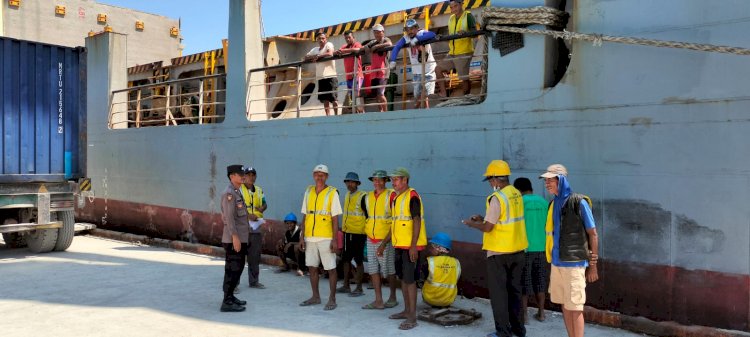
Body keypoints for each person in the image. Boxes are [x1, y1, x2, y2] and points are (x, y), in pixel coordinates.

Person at [462, 160, 527, 337]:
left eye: (490, 180)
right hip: (518, 251)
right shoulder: (515, 194)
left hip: (499, 253)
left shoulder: (497, 198)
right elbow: (504, 220)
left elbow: (489, 227)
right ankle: (519, 330)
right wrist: (483, 218)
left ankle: (503, 333)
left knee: (499, 296)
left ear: (496, 179)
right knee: (515, 293)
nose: (490, 184)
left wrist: (471, 224)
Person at [540, 164, 599, 337]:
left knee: (576, 307)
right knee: (565, 305)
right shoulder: (553, 204)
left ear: (562, 180)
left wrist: (593, 265)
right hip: (557, 262)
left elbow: (593, 234)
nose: (547, 184)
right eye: (546, 180)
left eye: (551, 180)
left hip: (574, 263)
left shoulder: (578, 202)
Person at [378, 167, 427, 330]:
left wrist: (413, 245)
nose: (393, 182)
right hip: (399, 245)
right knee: (403, 279)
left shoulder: (412, 195)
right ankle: (406, 311)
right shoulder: (396, 198)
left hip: (410, 247)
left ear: (405, 180)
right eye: (392, 179)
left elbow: (417, 220)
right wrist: (384, 243)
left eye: (396, 179)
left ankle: (412, 317)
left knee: (410, 280)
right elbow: (395, 223)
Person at [299, 164, 342, 311]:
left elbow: (335, 219)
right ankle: (315, 296)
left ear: (327, 177)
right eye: (317, 174)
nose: (319, 176)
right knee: (312, 267)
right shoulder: (308, 191)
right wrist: (301, 236)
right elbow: (305, 215)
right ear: (313, 175)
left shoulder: (332, 193)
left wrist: (335, 239)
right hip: (310, 237)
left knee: (331, 268)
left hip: (326, 237)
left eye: (322, 174)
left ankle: (332, 298)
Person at [514, 177, 549, 323]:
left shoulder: (519, 203)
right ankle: (541, 314)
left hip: (525, 249)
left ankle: (525, 316)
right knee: (540, 281)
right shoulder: (544, 202)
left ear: (517, 190)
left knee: (524, 283)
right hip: (542, 249)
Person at [362, 170, 398, 310]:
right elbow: (369, 217)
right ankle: (378, 300)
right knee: (373, 270)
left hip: (385, 240)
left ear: (385, 181)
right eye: (374, 180)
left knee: (389, 270)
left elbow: (394, 222)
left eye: (380, 180)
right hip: (371, 238)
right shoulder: (367, 196)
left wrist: (383, 243)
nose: (377, 182)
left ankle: (393, 297)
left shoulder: (391, 195)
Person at [219, 165, 250, 312]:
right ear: (232, 176)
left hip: (240, 237)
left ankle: (230, 296)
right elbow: (229, 218)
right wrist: (235, 237)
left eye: (243, 174)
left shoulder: (237, 191)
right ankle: (226, 301)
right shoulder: (229, 194)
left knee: (237, 268)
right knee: (232, 269)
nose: (243, 176)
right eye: (240, 174)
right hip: (233, 239)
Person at [389, 19, 437, 109]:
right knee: (417, 96)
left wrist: (417, 39)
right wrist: (393, 60)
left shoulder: (422, 33)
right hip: (416, 72)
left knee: (426, 94)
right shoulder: (406, 38)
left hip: (429, 70)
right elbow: (397, 47)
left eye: (412, 29)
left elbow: (432, 34)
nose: (409, 31)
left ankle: (415, 109)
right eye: (407, 29)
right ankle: (423, 112)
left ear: (416, 28)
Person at [436, 0, 478, 97]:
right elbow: (451, 36)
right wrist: (442, 37)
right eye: (451, 7)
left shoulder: (468, 16)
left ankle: (466, 98)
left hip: (464, 52)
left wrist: (464, 32)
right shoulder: (451, 18)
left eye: (455, 6)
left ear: (461, 5)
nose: (453, 9)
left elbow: (475, 34)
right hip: (452, 53)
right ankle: (443, 94)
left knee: (464, 79)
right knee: (438, 69)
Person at [337, 172, 367, 296]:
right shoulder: (348, 195)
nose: (349, 184)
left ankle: (359, 288)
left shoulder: (362, 196)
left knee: (358, 260)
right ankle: (346, 285)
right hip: (347, 232)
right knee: (346, 259)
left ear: (357, 183)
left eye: (352, 182)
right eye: (347, 182)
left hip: (358, 233)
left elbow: (368, 215)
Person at [241, 166, 267, 289]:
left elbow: (264, 203)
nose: (251, 177)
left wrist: (262, 208)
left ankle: (254, 281)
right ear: (244, 176)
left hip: (256, 226)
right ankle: (234, 284)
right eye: (248, 175)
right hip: (243, 226)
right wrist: (248, 215)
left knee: (255, 256)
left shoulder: (259, 190)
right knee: (239, 256)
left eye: (253, 175)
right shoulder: (239, 190)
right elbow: (236, 207)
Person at [422, 232, 461, 308]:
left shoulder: (430, 261)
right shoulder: (456, 262)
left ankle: (434, 303)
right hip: (449, 300)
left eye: (432, 247)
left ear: (438, 248)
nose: (430, 250)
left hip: (430, 298)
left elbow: (422, 278)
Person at [304, 32, 339, 116]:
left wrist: (318, 57)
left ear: (326, 39)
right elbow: (306, 57)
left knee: (334, 98)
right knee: (325, 99)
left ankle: (337, 115)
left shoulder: (329, 44)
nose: (321, 40)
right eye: (319, 38)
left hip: (330, 76)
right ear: (317, 40)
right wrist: (314, 56)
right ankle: (328, 116)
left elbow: (330, 53)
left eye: (323, 38)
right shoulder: (315, 49)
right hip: (320, 77)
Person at [362, 24, 393, 112]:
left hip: (383, 71)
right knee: (376, 94)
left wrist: (377, 46)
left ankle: (385, 112)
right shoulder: (373, 42)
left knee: (380, 93)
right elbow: (364, 48)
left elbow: (390, 44)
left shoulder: (385, 39)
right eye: (375, 32)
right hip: (374, 72)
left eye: (378, 32)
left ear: (383, 32)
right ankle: (380, 111)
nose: (377, 34)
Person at [335, 31, 365, 113]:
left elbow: (357, 49)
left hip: (357, 75)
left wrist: (343, 51)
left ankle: (361, 113)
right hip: (348, 76)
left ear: (353, 37)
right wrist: (337, 52)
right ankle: (356, 112)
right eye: (346, 38)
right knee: (351, 96)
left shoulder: (357, 44)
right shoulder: (344, 47)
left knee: (357, 94)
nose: (347, 39)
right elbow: (337, 52)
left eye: (349, 37)